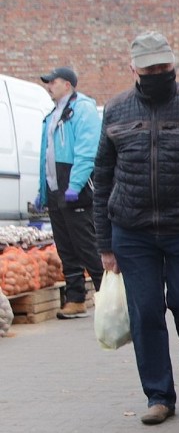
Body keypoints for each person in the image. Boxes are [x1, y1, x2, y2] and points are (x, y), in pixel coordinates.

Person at [93, 31, 179, 426]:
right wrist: (104, 245)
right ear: (134, 70)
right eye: (149, 69)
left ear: (173, 63)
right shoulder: (116, 110)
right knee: (144, 312)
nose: (158, 73)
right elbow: (103, 177)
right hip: (132, 230)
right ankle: (159, 395)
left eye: (163, 66)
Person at [37, 66, 104, 318]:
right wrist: (43, 191)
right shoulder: (53, 114)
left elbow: (87, 151)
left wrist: (75, 185)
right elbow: (46, 156)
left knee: (86, 244)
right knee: (65, 247)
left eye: (53, 82)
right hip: (57, 190)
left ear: (68, 84)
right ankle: (75, 298)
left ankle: (106, 295)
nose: (49, 86)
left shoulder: (82, 109)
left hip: (75, 188)